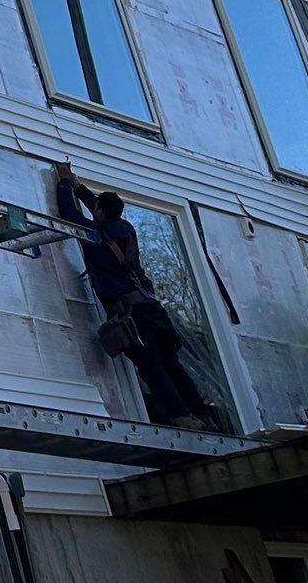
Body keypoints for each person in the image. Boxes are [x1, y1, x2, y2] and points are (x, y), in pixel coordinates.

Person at [54, 166, 217, 429]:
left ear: (100, 213)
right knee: (171, 364)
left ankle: (181, 415)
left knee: (152, 367)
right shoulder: (125, 229)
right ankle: (202, 414)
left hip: (134, 315)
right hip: (152, 309)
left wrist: (64, 184)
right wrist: (78, 186)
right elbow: (101, 209)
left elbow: (69, 215)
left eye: (97, 209)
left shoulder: (96, 236)